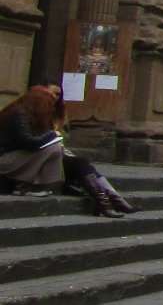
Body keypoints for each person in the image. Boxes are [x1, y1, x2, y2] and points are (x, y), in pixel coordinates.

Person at [0, 84, 132, 217]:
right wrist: (53, 134)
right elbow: (29, 142)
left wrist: (54, 136)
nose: (53, 102)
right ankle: (106, 201)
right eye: (50, 99)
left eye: (58, 95)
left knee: (79, 162)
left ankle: (107, 201)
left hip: (28, 157)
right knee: (58, 151)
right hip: (8, 160)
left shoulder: (38, 114)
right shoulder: (18, 115)